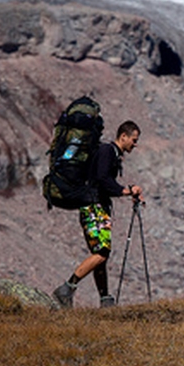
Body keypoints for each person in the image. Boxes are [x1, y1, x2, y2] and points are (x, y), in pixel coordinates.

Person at [53, 120, 144, 309]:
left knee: (100, 254)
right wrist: (126, 190)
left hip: (95, 206)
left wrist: (124, 191)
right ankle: (67, 288)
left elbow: (103, 181)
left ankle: (105, 299)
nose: (135, 144)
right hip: (93, 207)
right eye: (133, 140)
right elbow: (102, 180)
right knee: (102, 252)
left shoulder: (112, 153)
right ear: (123, 136)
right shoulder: (107, 151)